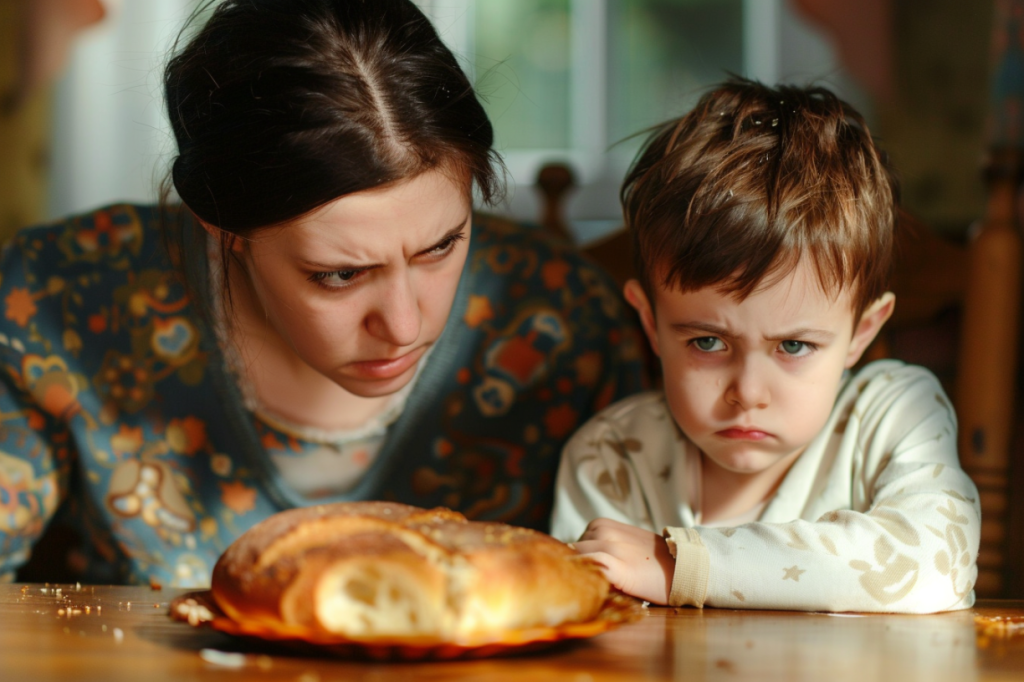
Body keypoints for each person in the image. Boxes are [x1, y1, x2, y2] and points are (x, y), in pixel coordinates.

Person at [0, 0, 648, 586]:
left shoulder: (565, 320)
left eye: (441, 246)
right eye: (339, 275)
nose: (402, 325)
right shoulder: (59, 298)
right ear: (222, 227)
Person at [550, 79, 980, 614]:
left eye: (794, 346)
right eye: (708, 341)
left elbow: (936, 567)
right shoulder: (611, 458)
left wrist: (681, 564)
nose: (748, 393)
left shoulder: (894, 414)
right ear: (650, 321)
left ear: (862, 333)